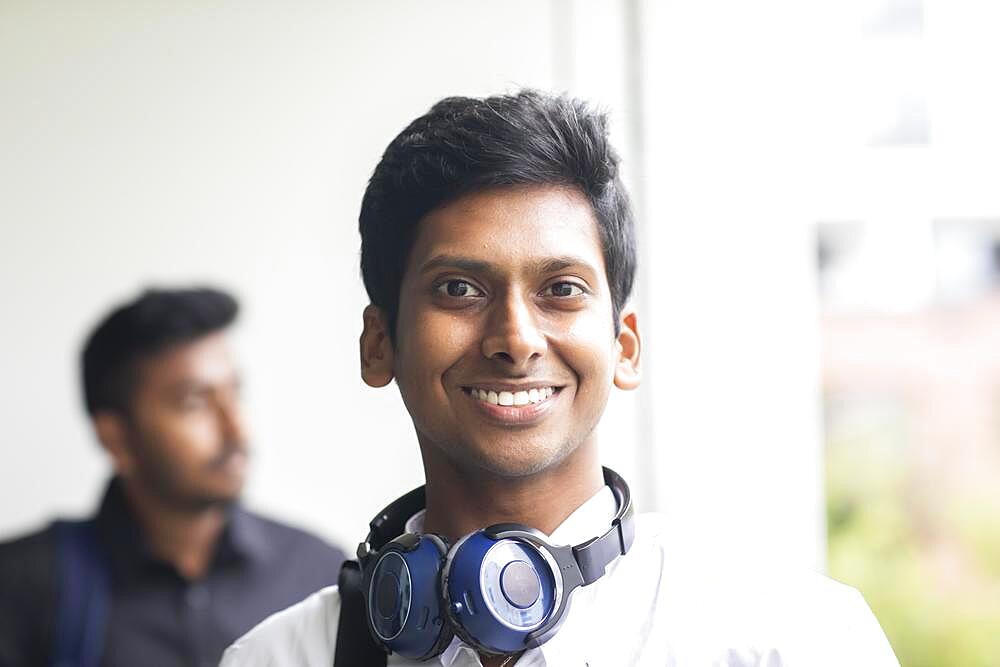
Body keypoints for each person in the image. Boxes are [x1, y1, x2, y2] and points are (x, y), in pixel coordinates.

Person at [220, 91, 900, 666]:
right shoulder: (277, 657)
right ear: (379, 344)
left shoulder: (795, 638)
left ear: (624, 346)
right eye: (459, 288)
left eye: (561, 288)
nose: (515, 339)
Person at [0, 287, 345, 667]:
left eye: (234, 393)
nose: (237, 430)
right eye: (194, 402)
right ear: (116, 438)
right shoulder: (22, 586)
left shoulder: (318, 572)